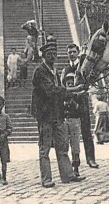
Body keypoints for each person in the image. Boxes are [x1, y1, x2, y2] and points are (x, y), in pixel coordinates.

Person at [31, 37, 85, 188]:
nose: (52, 56)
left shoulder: (54, 71)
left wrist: (75, 95)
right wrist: (74, 89)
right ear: (44, 56)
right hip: (45, 115)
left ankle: (67, 175)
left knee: (62, 146)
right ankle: (46, 179)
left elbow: (60, 92)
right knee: (45, 148)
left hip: (57, 114)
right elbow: (52, 91)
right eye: (49, 54)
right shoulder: (40, 71)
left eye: (54, 53)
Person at [60, 44, 98, 169]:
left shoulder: (83, 66)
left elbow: (89, 82)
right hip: (70, 104)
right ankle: (75, 159)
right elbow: (63, 87)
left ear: (77, 52)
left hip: (82, 101)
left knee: (86, 130)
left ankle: (91, 158)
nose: (71, 54)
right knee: (72, 133)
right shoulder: (65, 70)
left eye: (73, 52)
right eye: (69, 52)